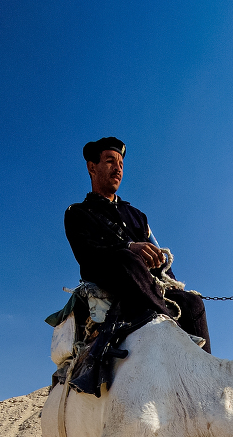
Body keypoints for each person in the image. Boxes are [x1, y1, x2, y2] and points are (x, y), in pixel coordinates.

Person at [64, 136, 211, 352]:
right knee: (127, 259)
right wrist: (128, 247)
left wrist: (171, 280)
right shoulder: (77, 213)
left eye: (121, 164)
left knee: (192, 303)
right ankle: (176, 332)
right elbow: (86, 255)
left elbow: (158, 258)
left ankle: (207, 372)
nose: (118, 169)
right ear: (92, 167)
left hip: (149, 285)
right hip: (111, 277)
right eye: (110, 162)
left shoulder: (137, 216)